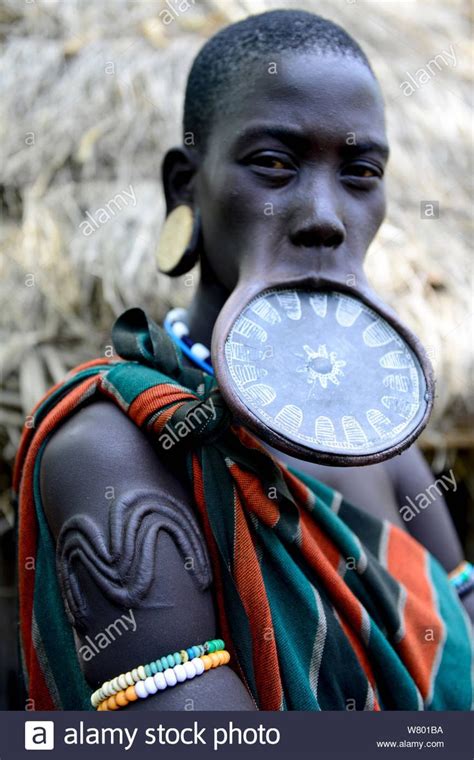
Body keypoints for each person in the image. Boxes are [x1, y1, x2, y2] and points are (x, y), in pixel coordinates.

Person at [14, 10, 473, 712]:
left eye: (360, 172)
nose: (325, 214)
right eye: (274, 165)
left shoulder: (379, 444)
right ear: (184, 189)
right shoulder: (114, 447)